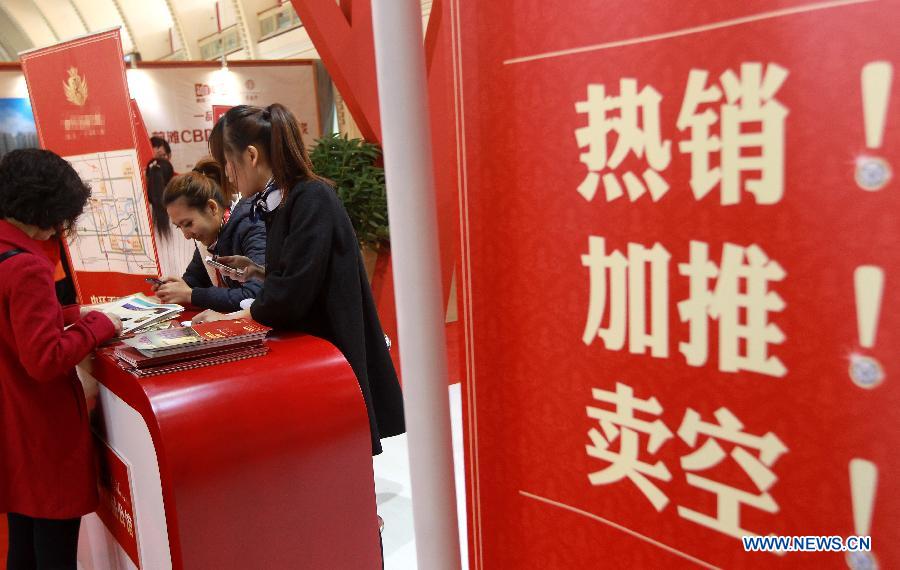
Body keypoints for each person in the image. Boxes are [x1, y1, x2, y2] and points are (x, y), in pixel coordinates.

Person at [197, 104, 405, 455]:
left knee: (341, 446)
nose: (228, 175)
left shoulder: (309, 198)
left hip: (331, 350)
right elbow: (299, 273)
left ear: (250, 156)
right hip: (319, 349)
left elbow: (291, 295)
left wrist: (232, 317)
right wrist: (260, 271)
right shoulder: (283, 201)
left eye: (228, 163)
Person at [0, 149, 123, 569]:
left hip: (13, 424)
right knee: (54, 549)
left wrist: (69, 315)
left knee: (24, 540)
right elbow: (46, 359)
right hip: (44, 430)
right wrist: (100, 326)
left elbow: (14, 325)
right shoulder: (28, 268)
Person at [152, 157, 267, 312]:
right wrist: (174, 288)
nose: (186, 236)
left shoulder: (251, 226)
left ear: (212, 208)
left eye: (188, 224)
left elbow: (254, 296)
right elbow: (193, 282)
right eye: (179, 227)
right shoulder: (210, 241)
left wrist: (191, 295)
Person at [146, 157, 195, 279]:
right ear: (172, 180)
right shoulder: (186, 207)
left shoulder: (143, 213)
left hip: (156, 282)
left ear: (148, 180)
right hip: (189, 279)